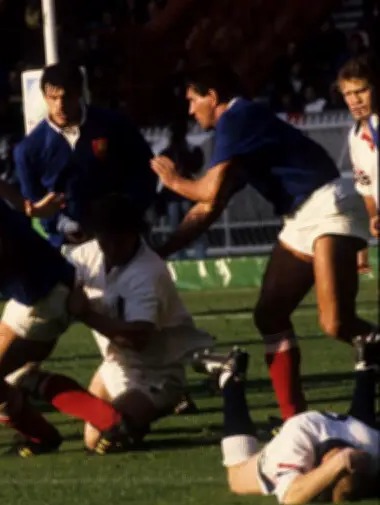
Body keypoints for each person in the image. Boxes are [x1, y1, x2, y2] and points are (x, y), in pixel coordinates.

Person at [151, 63, 378, 423]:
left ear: (213, 97)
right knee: (269, 314)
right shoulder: (241, 127)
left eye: (194, 100)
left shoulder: (238, 117)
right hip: (303, 215)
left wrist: (174, 180)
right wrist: (161, 250)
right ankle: (295, 421)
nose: (190, 110)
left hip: (328, 203)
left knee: (336, 323)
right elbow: (210, 206)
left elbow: (206, 190)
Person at [0, 147, 151, 457]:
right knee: (16, 376)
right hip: (32, 294)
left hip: (43, 292)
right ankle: (63, 432)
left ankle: (102, 424)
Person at [61, 194, 215, 451]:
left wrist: (85, 314)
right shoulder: (85, 256)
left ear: (135, 233)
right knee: (92, 440)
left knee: (107, 439)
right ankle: (132, 419)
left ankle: (149, 410)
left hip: (157, 372)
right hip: (115, 362)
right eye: (104, 238)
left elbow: (137, 340)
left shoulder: (147, 272)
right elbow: (56, 282)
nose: (110, 247)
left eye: (118, 239)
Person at [193, 341, 379, 505]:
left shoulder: (297, 442)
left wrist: (339, 462)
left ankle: (231, 377)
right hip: (342, 433)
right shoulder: (372, 450)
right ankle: (367, 368)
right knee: (366, 431)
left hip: (333, 433)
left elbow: (290, 496)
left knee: (237, 477)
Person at [10, 62, 158, 248]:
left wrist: (130, 212)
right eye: (52, 98)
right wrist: (63, 225)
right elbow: (34, 201)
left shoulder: (113, 125)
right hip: (70, 246)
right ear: (44, 96)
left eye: (66, 97)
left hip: (123, 237)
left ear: (79, 92)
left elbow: (145, 170)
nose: (60, 105)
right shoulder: (28, 150)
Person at [337, 56, 378, 274]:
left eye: (361, 91)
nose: (355, 100)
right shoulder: (355, 138)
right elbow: (368, 192)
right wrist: (372, 220)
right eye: (348, 94)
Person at [156, 116, 207, 260]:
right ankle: (196, 259)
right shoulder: (184, 151)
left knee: (179, 231)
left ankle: (185, 260)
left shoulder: (170, 152)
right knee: (190, 230)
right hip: (183, 195)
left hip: (177, 195)